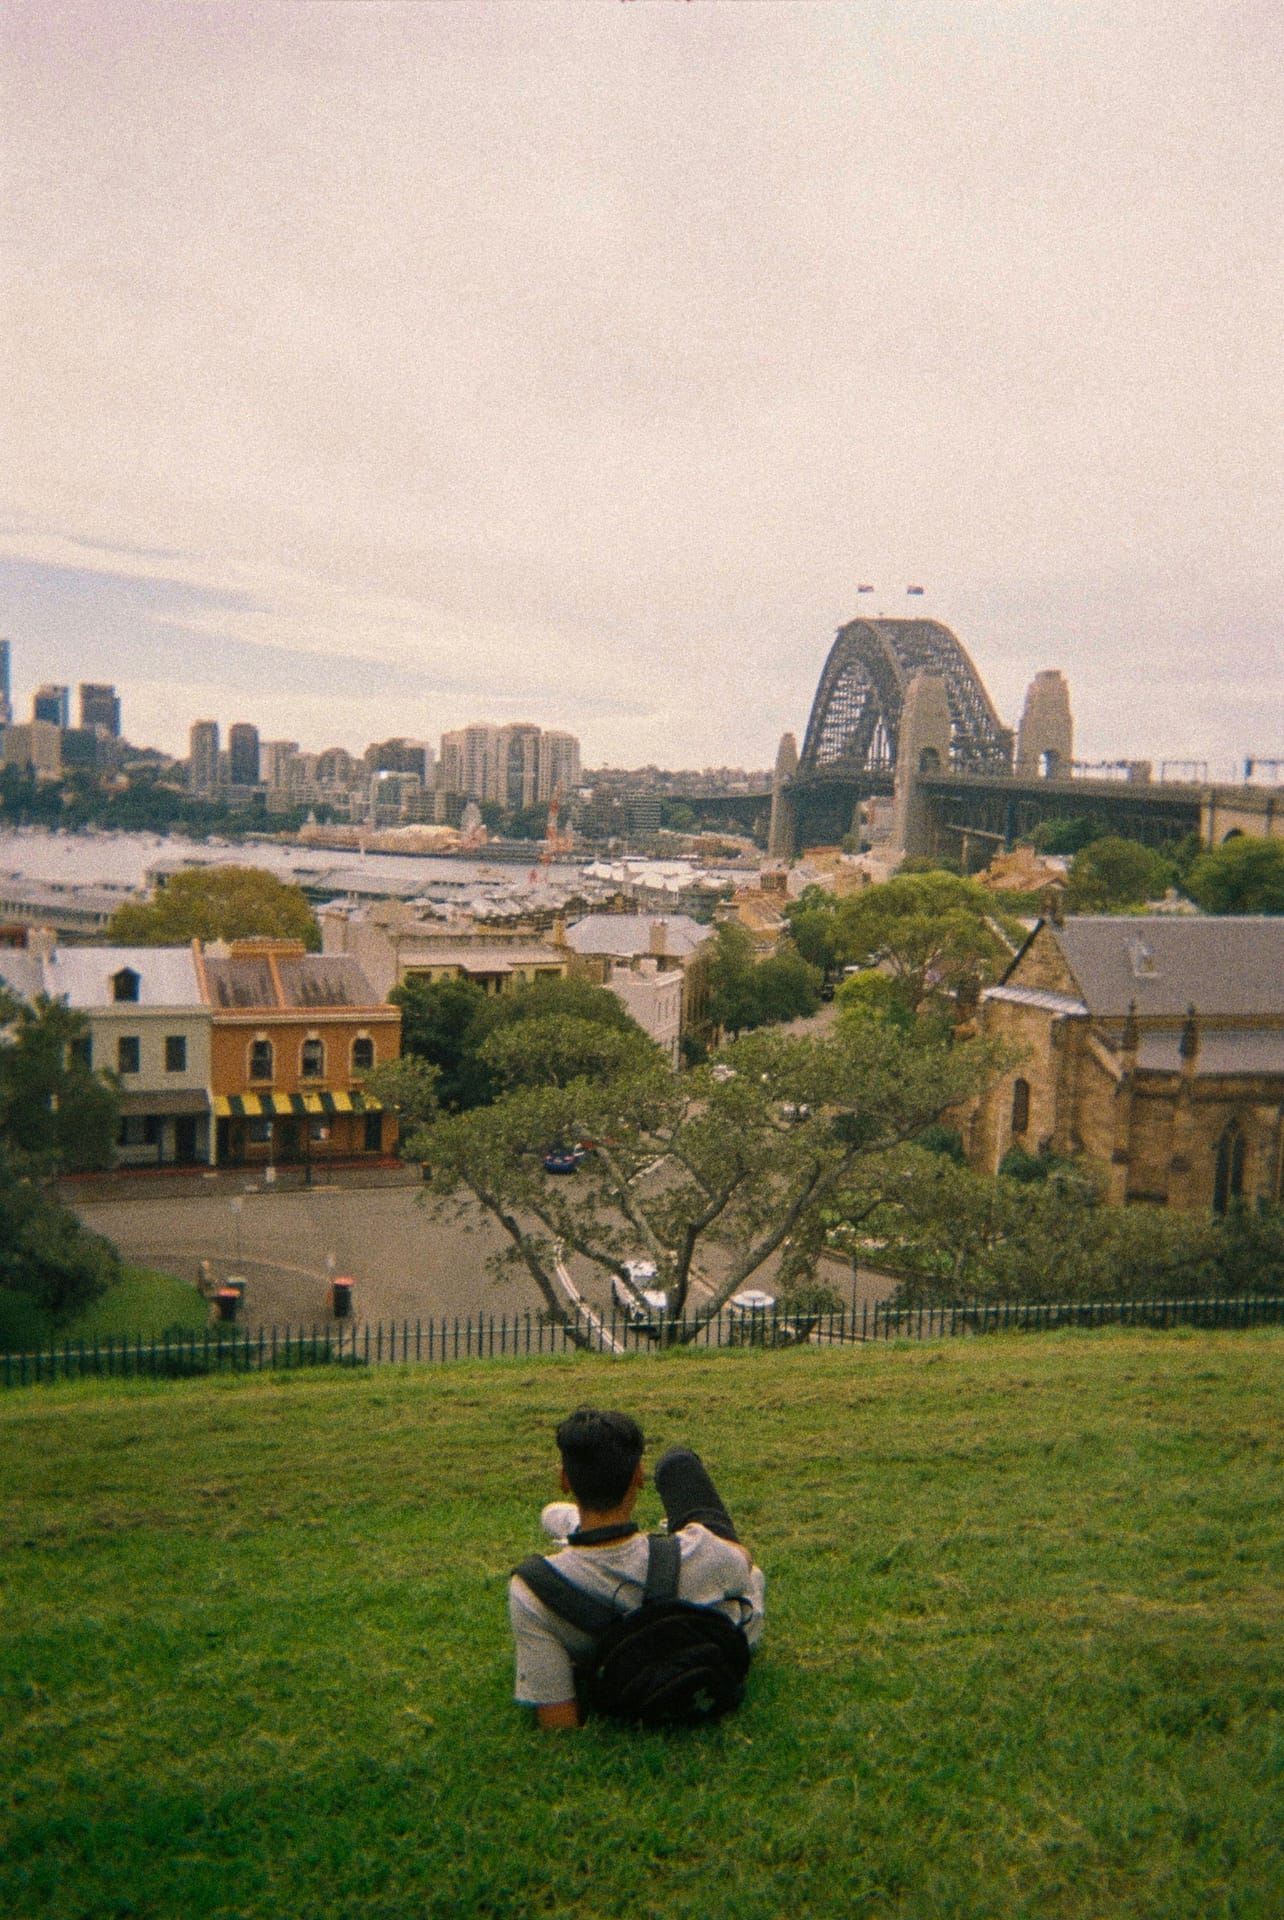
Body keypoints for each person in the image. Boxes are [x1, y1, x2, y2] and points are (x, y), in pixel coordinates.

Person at [509, 1407, 765, 1729]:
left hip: (612, 1651)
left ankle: (573, 1525)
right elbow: (742, 1559)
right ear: (638, 1476)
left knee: (551, 1515)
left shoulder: (534, 1590)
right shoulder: (699, 1549)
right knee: (678, 1464)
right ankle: (583, 1522)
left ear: (564, 1479)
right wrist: (692, 1535)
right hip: (704, 1622)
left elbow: (558, 1721)